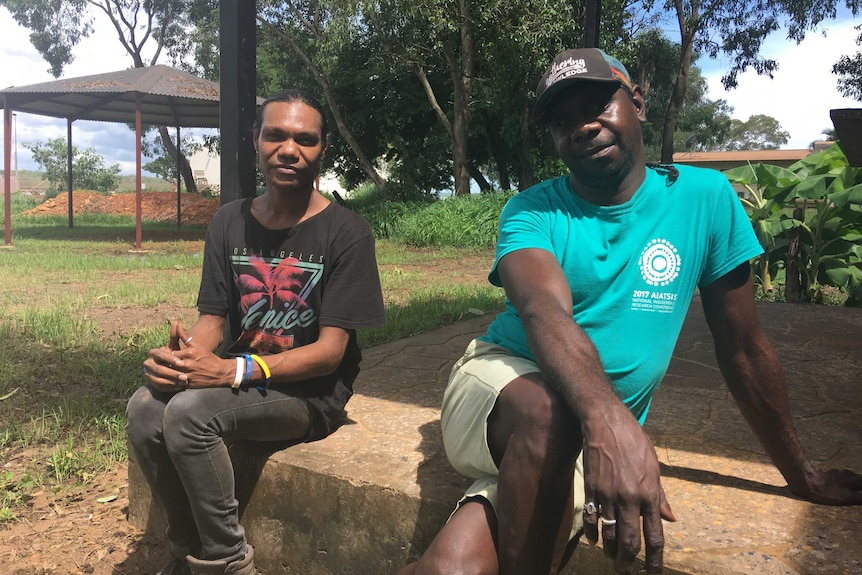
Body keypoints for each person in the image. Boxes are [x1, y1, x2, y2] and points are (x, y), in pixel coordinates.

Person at [398, 48, 862, 575]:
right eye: (563, 121)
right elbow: (543, 311)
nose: (583, 127)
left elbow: (744, 348)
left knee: (452, 567)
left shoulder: (704, 199)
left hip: (575, 435)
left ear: (637, 103)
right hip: (501, 392)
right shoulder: (531, 210)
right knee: (548, 414)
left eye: (597, 106)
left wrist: (802, 475)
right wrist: (612, 419)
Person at [126, 89, 386, 575]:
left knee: (188, 414)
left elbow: (330, 354)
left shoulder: (347, 233)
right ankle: (185, 550)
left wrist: (232, 370)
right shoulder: (228, 221)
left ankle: (226, 561)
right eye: (276, 135)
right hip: (240, 380)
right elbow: (212, 320)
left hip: (308, 395)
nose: (290, 149)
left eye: (305, 139)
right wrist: (184, 360)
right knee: (143, 408)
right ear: (256, 141)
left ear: (321, 150)